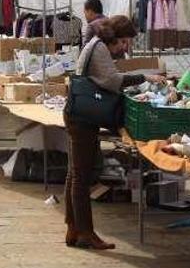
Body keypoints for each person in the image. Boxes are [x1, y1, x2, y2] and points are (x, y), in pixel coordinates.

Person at [64, 16, 165, 250]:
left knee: (75, 174)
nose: (125, 47)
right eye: (125, 42)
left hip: (78, 114)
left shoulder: (96, 45)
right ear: (117, 37)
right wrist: (144, 77)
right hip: (82, 118)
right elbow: (112, 80)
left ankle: (73, 228)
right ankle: (86, 233)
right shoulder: (99, 48)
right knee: (81, 176)